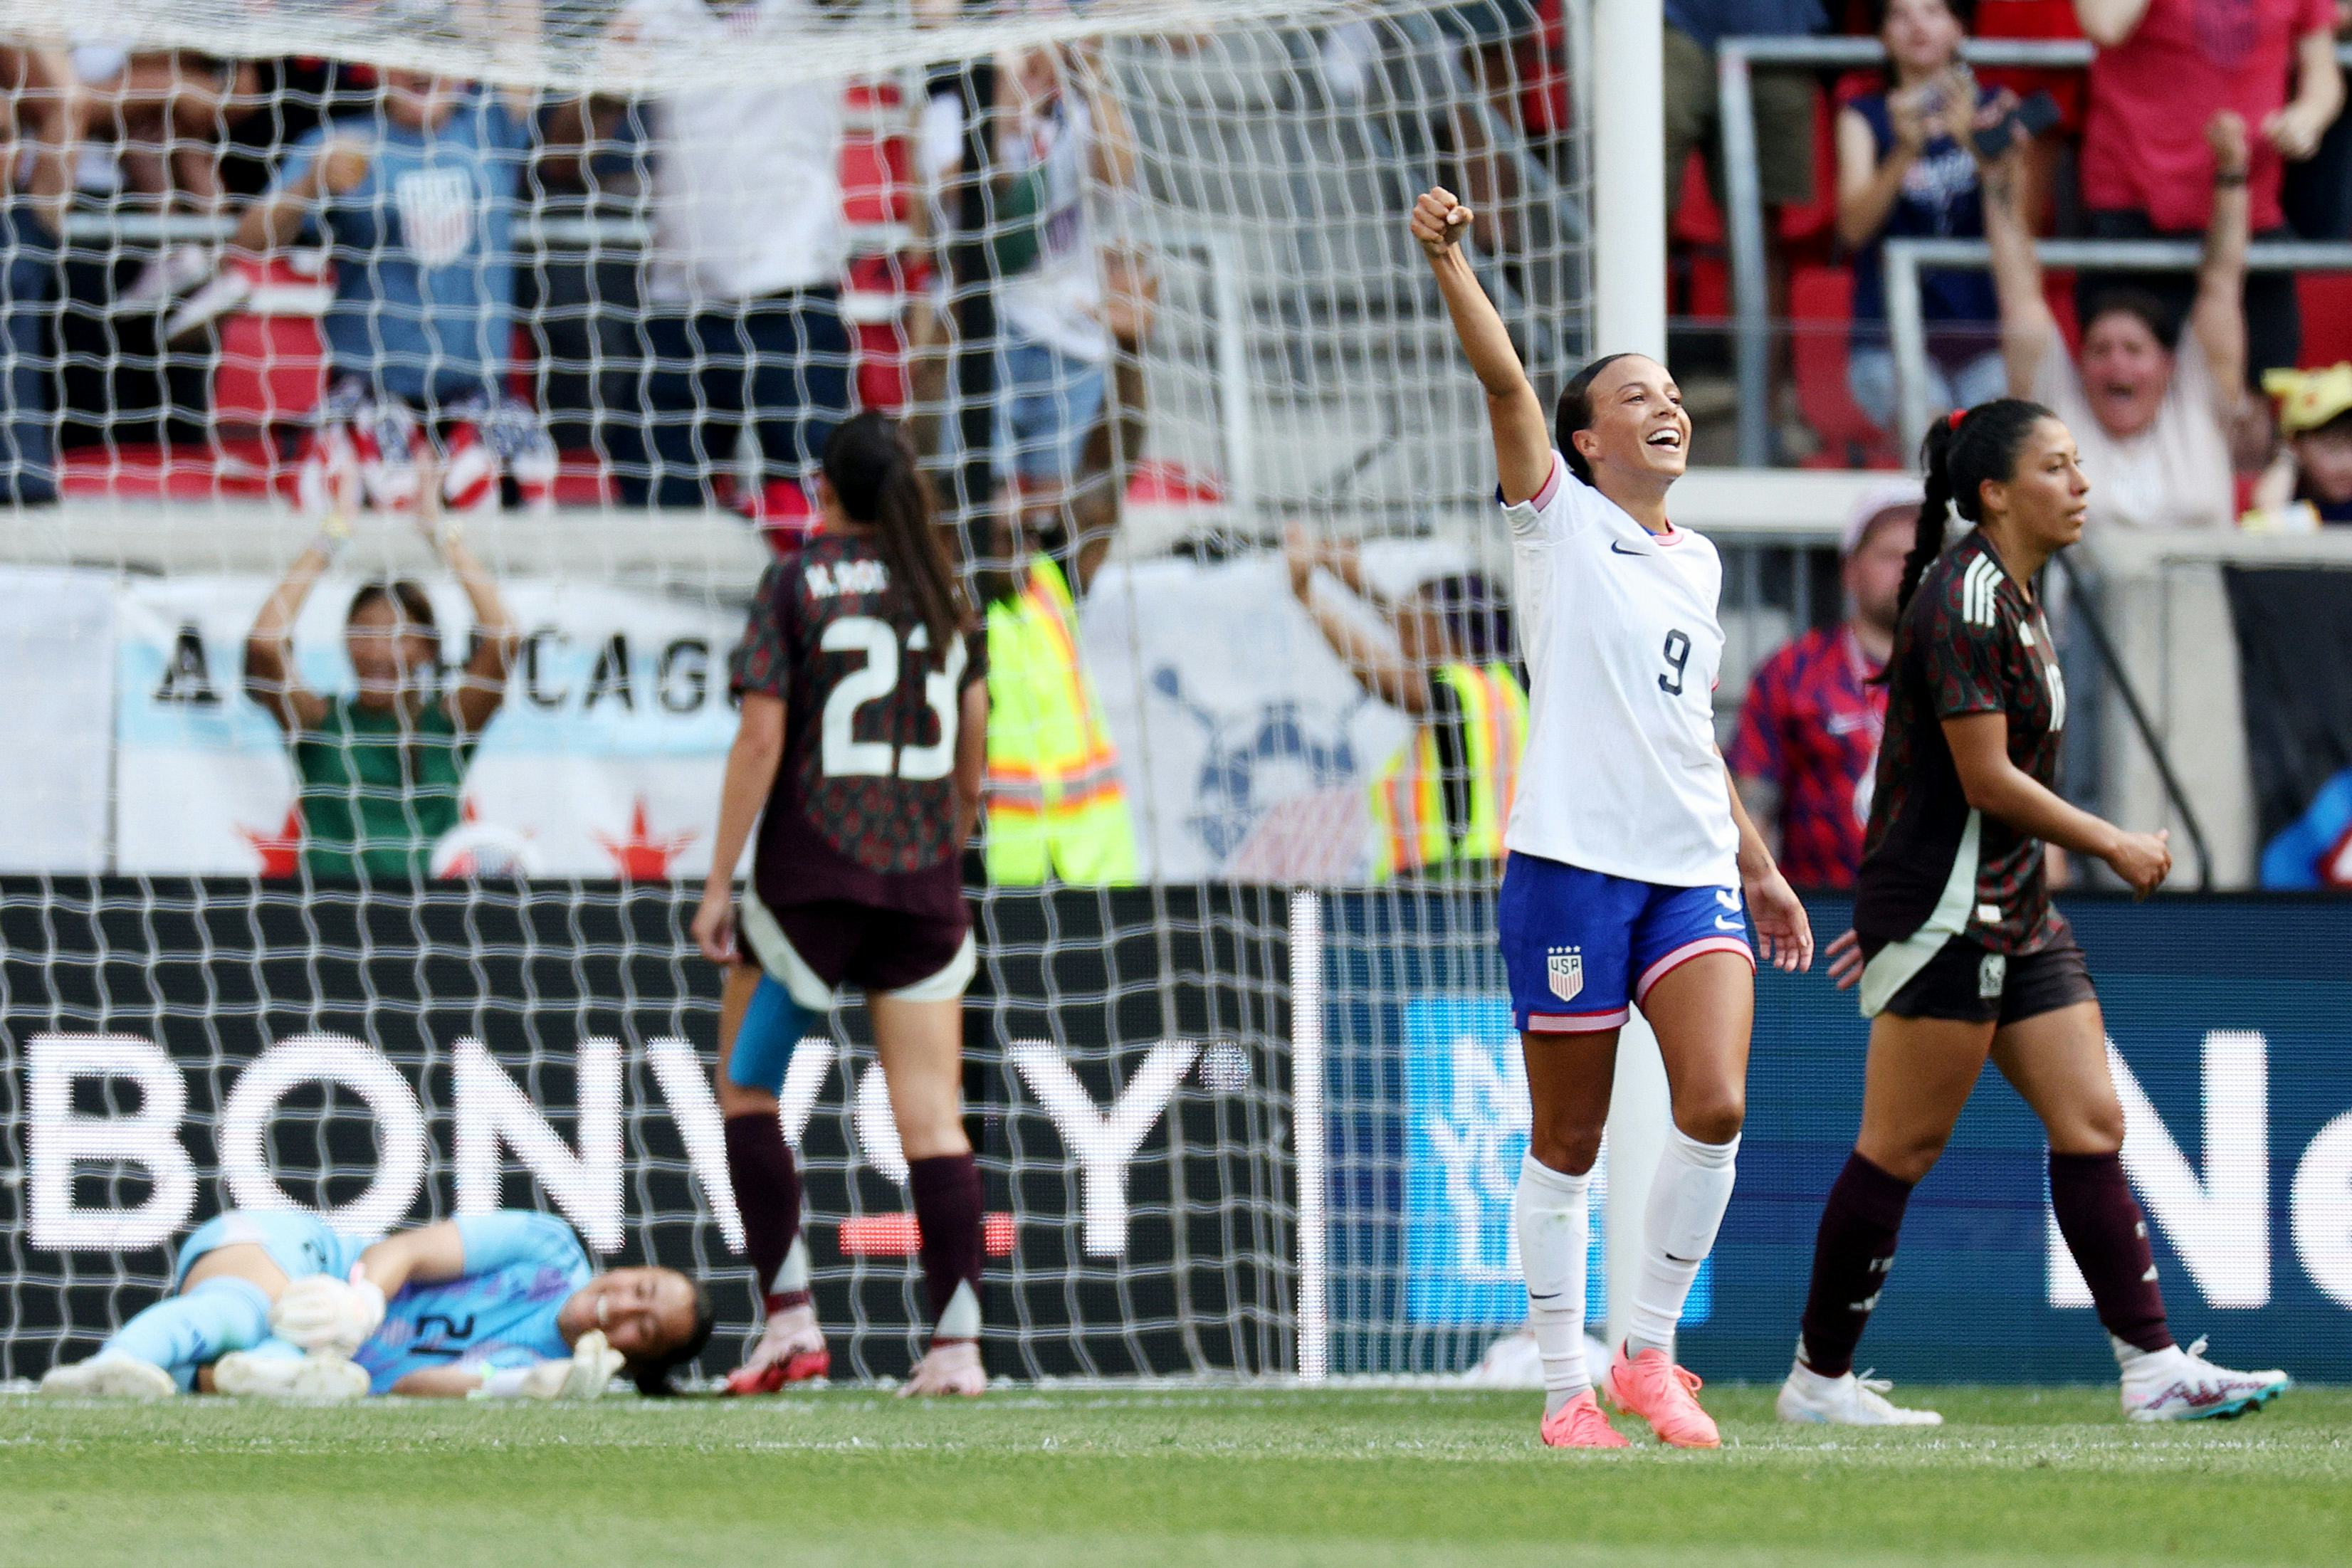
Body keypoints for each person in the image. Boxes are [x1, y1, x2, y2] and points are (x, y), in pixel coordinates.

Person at [1778, 398, 2293, 1426]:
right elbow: (1985, 779)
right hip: (1952, 913)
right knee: (1899, 1147)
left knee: (2092, 1120)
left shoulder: (2016, 591)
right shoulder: (1964, 599)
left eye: (2078, 463)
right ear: (1996, 493)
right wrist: (2109, 841)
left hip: (2010, 907)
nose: (2081, 483)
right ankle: (1816, 1382)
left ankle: (2152, 1368)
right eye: (2057, 466)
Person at [1414, 184, 1814, 1449]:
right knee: (1570, 1138)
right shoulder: (1557, 524)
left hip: (1689, 864)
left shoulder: (1695, 560)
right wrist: (1449, 261)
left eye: (1672, 392)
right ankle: (1560, 1390)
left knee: (1716, 1102)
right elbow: (1503, 385)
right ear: (1585, 441)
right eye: (1635, 396)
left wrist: (1760, 864)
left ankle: (1647, 1352)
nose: (1665, 405)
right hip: (1571, 866)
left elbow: (1687, 729)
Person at [693, 411, 992, 1398]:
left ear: (824, 488)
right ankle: (956, 1349)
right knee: (933, 1119)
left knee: (748, 1088)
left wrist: (719, 880)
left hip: (808, 894)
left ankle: (790, 1322)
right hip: (920, 892)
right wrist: (939, 844)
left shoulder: (795, 583)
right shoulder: (949, 598)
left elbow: (760, 740)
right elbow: (973, 758)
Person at [184, 60, 557, 519]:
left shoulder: (490, 131)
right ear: (377, 68)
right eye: (405, 53)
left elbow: (519, 42)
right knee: (367, 491)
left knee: (521, 475)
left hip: (479, 399)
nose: (420, 65)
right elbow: (248, 243)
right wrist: (310, 184)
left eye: (434, 50)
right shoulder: (341, 143)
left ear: (461, 68)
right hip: (371, 396)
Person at [38, 1207, 712, 1400]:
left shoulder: (545, 1372)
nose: (624, 1308)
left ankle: (230, 1370)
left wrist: (525, 1385)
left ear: (635, 1362)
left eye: (645, 1330)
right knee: (246, 1310)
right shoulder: (549, 1250)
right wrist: (358, 1301)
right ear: (632, 1268)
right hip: (309, 1259)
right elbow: (409, 1249)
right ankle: (109, 1364)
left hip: (325, 1371)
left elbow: (412, 1385)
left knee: (265, 1369)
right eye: (641, 1289)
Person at [604, 0, 851, 516]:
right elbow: (560, 156)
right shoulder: (653, 12)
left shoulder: (812, 10)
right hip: (678, 303)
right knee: (654, 514)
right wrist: (605, 88)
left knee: (818, 508)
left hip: (792, 296)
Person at [1988, 111, 2249, 530]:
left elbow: (2223, 282)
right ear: (2080, 365)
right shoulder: (2057, 413)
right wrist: (1997, 178)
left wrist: (2232, 173)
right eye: (2100, 350)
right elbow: (2018, 293)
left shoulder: (2198, 405)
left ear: (2167, 365)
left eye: (2133, 349)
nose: (2116, 364)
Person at [243, 498, 520, 879]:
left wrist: (439, 533)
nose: (377, 651)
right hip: (332, 910)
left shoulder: (448, 725)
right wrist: (333, 534)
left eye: (397, 636)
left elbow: (505, 638)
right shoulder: (320, 724)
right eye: (364, 632)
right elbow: (264, 643)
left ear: (428, 648)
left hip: (431, 911)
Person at [2075, 0, 2342, 382]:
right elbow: (2104, 24)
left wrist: (2307, 117)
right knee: (2129, 394)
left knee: (2260, 392)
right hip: (2136, 211)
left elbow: (2323, 74)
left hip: (2252, 214)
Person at [1283, 527, 1526, 879]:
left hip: (1462, 881)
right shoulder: (1505, 686)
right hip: (1466, 879)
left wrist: (1307, 597)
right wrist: (1353, 579)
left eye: (1414, 631)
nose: (1402, 642)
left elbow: (1386, 680)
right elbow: (1405, 622)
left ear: (1454, 634)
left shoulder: (1459, 686)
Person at [1729, 482, 1915, 889]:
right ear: (1850, 571)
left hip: (1945, 915)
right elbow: (1750, 815)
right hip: (1822, 910)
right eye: (1890, 556)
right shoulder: (1793, 671)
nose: (1909, 569)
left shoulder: (1969, 673)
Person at [1837, 0, 2009, 436]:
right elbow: (1853, 229)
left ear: (1960, 28)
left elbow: (2019, 220)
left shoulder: (1996, 107)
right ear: (1882, 35)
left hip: (1986, 334)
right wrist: (1905, 151)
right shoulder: (1863, 115)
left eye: (1933, 11)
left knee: (1993, 447)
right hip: (1888, 338)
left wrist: (1972, 139)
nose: (1917, 25)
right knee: (1937, 443)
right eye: (1900, 14)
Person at [2244, 362, 2352, 527]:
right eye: (2334, 447)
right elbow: (2266, 513)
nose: (2348, 464)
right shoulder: (2289, 493)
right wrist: (2287, 459)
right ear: (2295, 445)